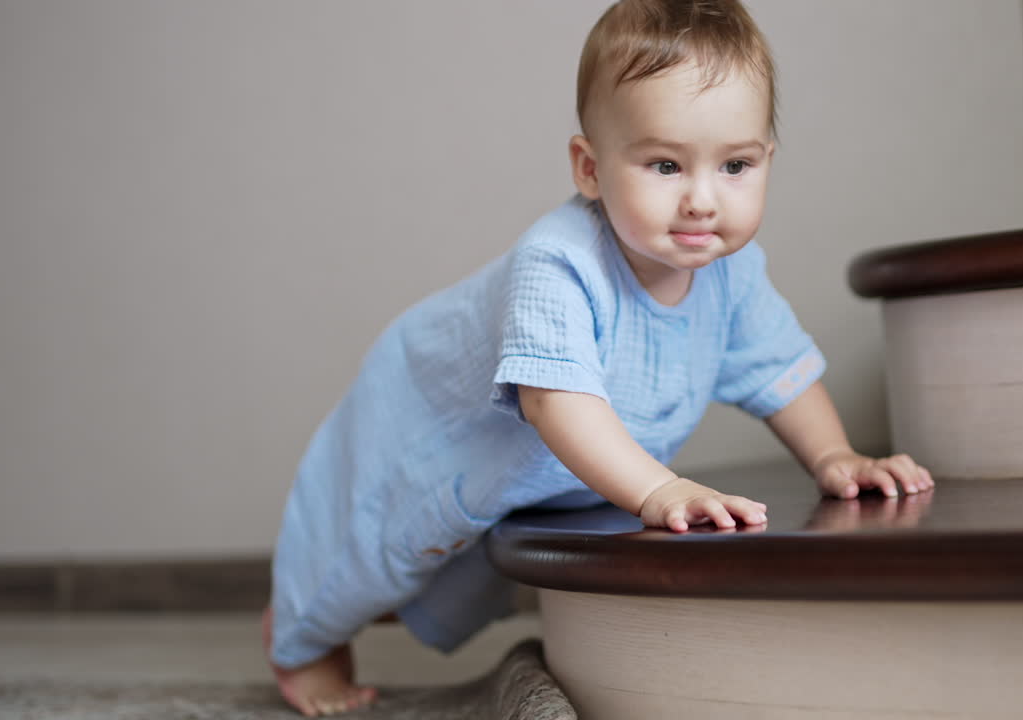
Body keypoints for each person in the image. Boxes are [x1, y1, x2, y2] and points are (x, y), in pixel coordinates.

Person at [265, 0, 934, 715]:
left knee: (463, 572)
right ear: (590, 167)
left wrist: (834, 456)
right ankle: (300, 643)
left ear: (767, 160)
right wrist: (661, 492)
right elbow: (554, 401)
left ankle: (353, 616)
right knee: (373, 549)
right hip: (431, 423)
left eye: (735, 164)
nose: (703, 199)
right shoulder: (558, 263)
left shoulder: (733, 273)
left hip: (542, 468)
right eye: (666, 165)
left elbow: (779, 369)